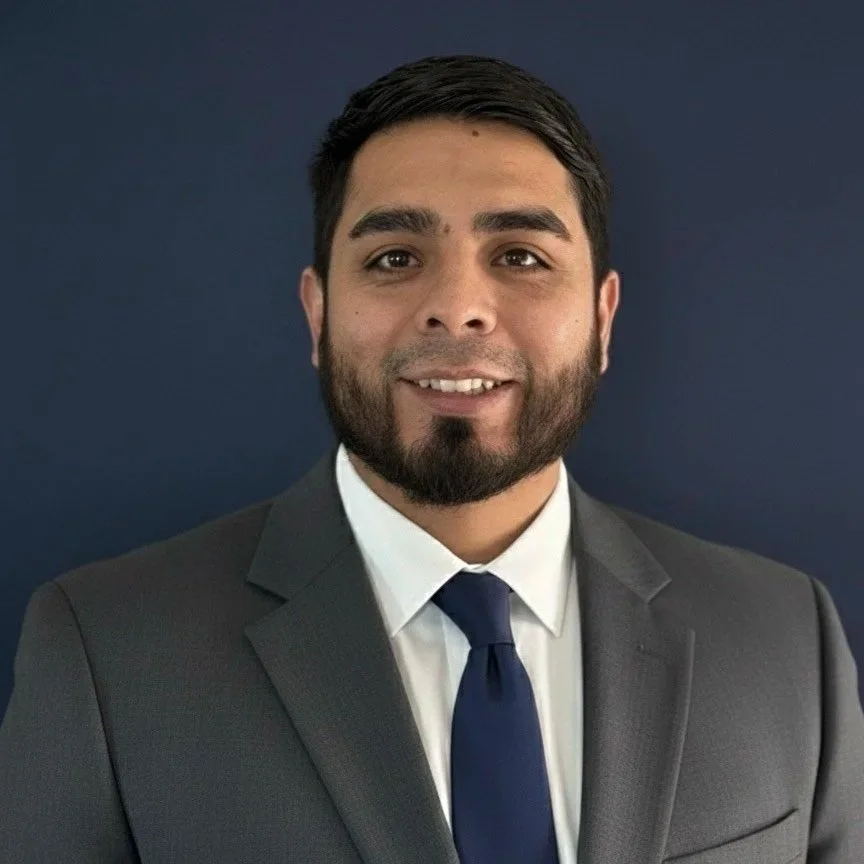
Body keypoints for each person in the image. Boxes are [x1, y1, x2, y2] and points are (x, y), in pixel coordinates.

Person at [1, 53, 862, 864]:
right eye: (394, 258)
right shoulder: (104, 651)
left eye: (520, 256)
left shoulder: (787, 636)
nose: (457, 307)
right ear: (318, 314)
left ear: (603, 319)